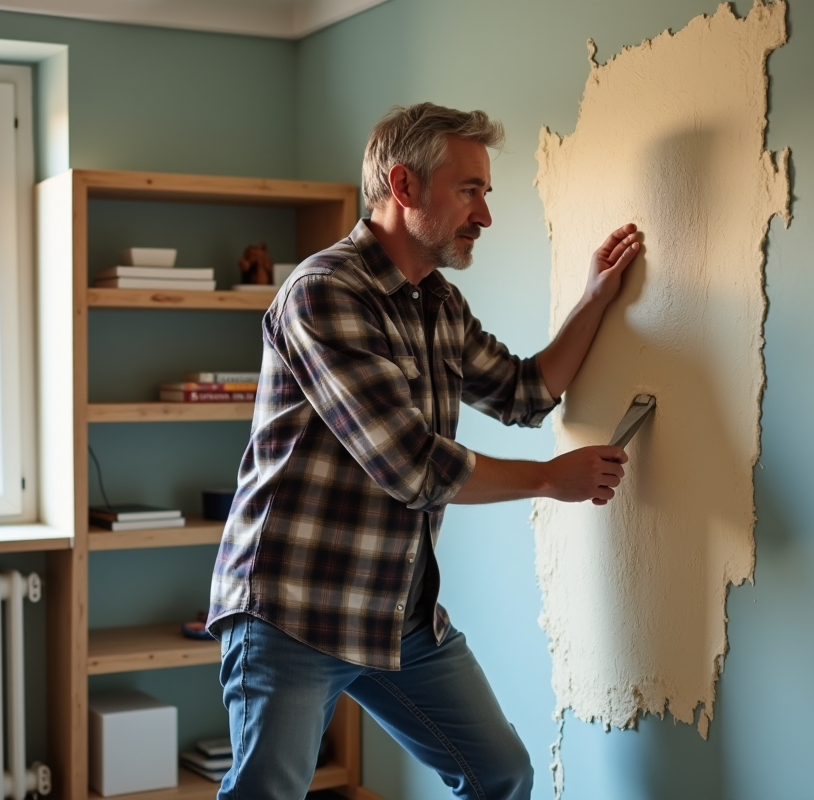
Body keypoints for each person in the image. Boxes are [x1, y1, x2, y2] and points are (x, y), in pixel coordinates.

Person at [207, 102, 643, 800]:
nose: (485, 215)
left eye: (485, 193)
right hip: (294, 609)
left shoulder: (437, 303)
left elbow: (525, 392)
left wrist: (595, 296)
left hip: (395, 613)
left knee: (499, 774)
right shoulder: (325, 293)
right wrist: (550, 480)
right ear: (403, 186)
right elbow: (411, 466)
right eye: (470, 190)